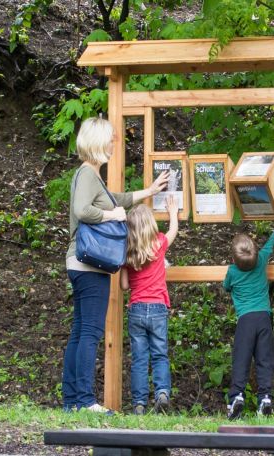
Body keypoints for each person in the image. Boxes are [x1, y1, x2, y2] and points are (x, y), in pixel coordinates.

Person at [63, 117, 169, 414]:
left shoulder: (92, 176)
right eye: (111, 138)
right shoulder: (86, 174)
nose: (114, 143)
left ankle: (72, 400)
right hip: (89, 266)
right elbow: (83, 210)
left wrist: (148, 192)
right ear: (98, 142)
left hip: (81, 264)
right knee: (90, 332)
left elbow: (115, 200)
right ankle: (84, 401)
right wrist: (114, 217)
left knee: (80, 331)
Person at [120, 195, 179, 415]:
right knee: (160, 354)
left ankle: (138, 404)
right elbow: (172, 232)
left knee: (139, 359)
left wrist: (125, 269)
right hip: (157, 308)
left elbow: (125, 286)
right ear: (150, 225)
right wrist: (173, 213)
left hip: (136, 309)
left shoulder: (127, 254)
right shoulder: (159, 244)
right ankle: (162, 393)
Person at [222, 217, 274, 420]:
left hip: (245, 321)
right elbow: (271, 244)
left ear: (233, 258)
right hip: (264, 319)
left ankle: (236, 397)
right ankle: (265, 397)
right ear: (256, 253)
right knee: (264, 360)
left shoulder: (232, 271)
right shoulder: (262, 260)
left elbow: (226, 287)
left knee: (241, 360)